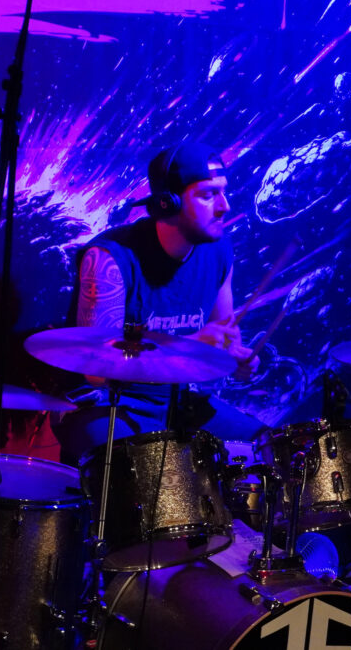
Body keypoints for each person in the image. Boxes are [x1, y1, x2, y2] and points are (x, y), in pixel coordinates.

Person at [53, 141, 263, 466]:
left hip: (179, 400)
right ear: (167, 203)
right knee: (143, 467)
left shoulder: (219, 249)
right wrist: (190, 344)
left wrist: (234, 357)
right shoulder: (109, 259)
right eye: (208, 195)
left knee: (265, 449)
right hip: (109, 403)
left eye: (223, 192)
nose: (225, 206)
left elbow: (221, 337)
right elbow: (96, 371)